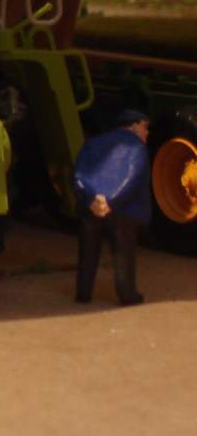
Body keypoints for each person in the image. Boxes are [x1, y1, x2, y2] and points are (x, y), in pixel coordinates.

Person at [73, 109, 152, 305]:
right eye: (145, 127)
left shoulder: (92, 143)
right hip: (124, 210)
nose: (147, 133)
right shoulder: (137, 148)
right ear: (134, 125)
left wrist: (92, 199)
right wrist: (110, 201)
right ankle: (127, 294)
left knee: (88, 252)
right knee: (123, 253)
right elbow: (132, 178)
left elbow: (79, 174)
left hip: (91, 208)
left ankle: (83, 292)